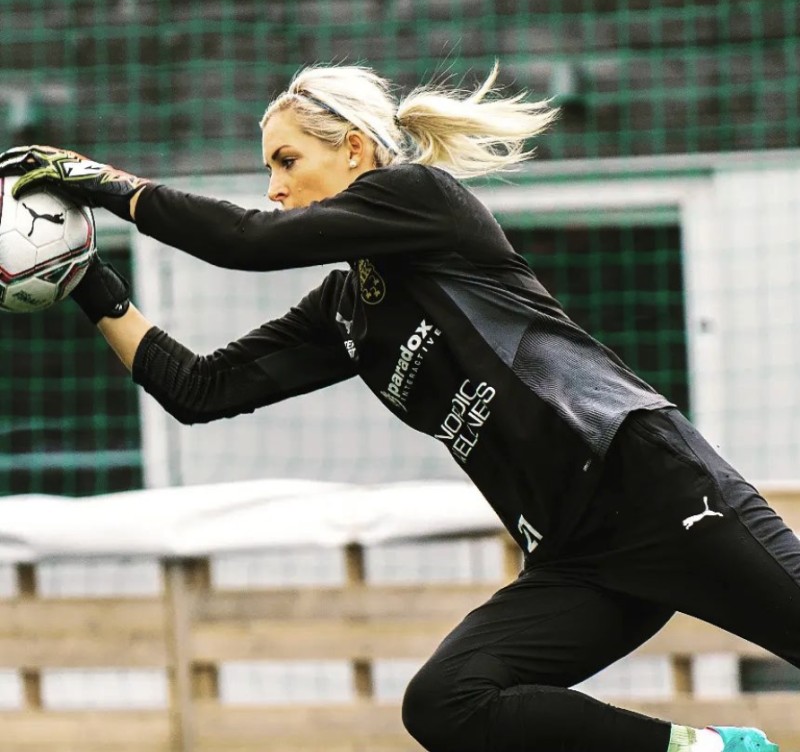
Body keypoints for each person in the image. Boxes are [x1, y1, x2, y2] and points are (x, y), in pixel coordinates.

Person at [1, 63, 795, 752]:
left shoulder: (421, 200)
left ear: (353, 149)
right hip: (576, 553)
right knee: (448, 701)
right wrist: (88, 280)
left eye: (287, 161)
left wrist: (97, 181)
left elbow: (246, 242)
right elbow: (199, 390)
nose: (274, 188)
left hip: (649, 486)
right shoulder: (346, 310)